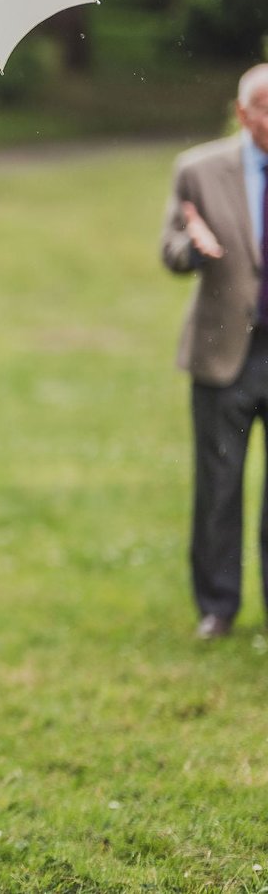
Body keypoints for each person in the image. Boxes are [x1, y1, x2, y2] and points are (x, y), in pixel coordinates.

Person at [160, 63, 268, 641]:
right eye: (267, 109)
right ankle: (218, 607)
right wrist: (194, 250)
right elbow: (170, 247)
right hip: (225, 350)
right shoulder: (199, 170)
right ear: (243, 111)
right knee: (219, 486)